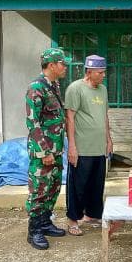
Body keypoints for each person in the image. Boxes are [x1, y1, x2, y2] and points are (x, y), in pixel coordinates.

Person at [25, 48, 71, 250]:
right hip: (43, 152)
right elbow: (32, 123)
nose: (65, 67)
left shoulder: (54, 85)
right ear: (51, 65)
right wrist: (44, 153)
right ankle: (34, 230)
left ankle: (45, 222)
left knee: (53, 188)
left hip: (56, 149)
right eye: (62, 63)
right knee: (40, 189)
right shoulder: (36, 87)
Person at [65, 55, 113, 236]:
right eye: (100, 73)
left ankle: (92, 214)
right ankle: (72, 219)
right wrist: (72, 147)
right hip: (82, 147)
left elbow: (104, 116)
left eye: (103, 72)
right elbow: (69, 118)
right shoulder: (75, 89)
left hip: (99, 147)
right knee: (78, 185)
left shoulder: (103, 90)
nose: (103, 75)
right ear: (89, 72)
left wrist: (109, 140)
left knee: (96, 184)